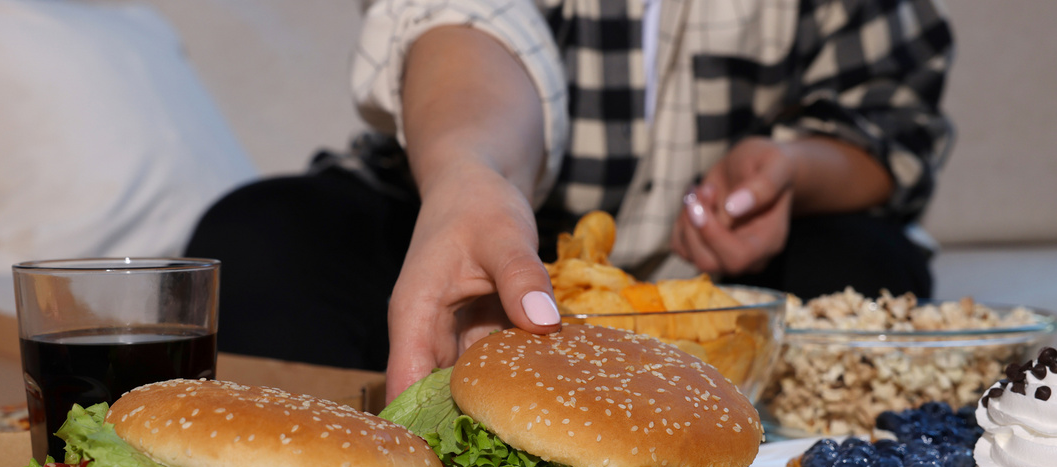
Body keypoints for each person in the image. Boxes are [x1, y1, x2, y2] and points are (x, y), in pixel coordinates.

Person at [186, 0, 953, 404]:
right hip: (459, 226)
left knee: (870, 263)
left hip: (714, 274)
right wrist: (470, 174)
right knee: (260, 236)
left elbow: (894, 120)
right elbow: (462, 22)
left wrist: (792, 169)